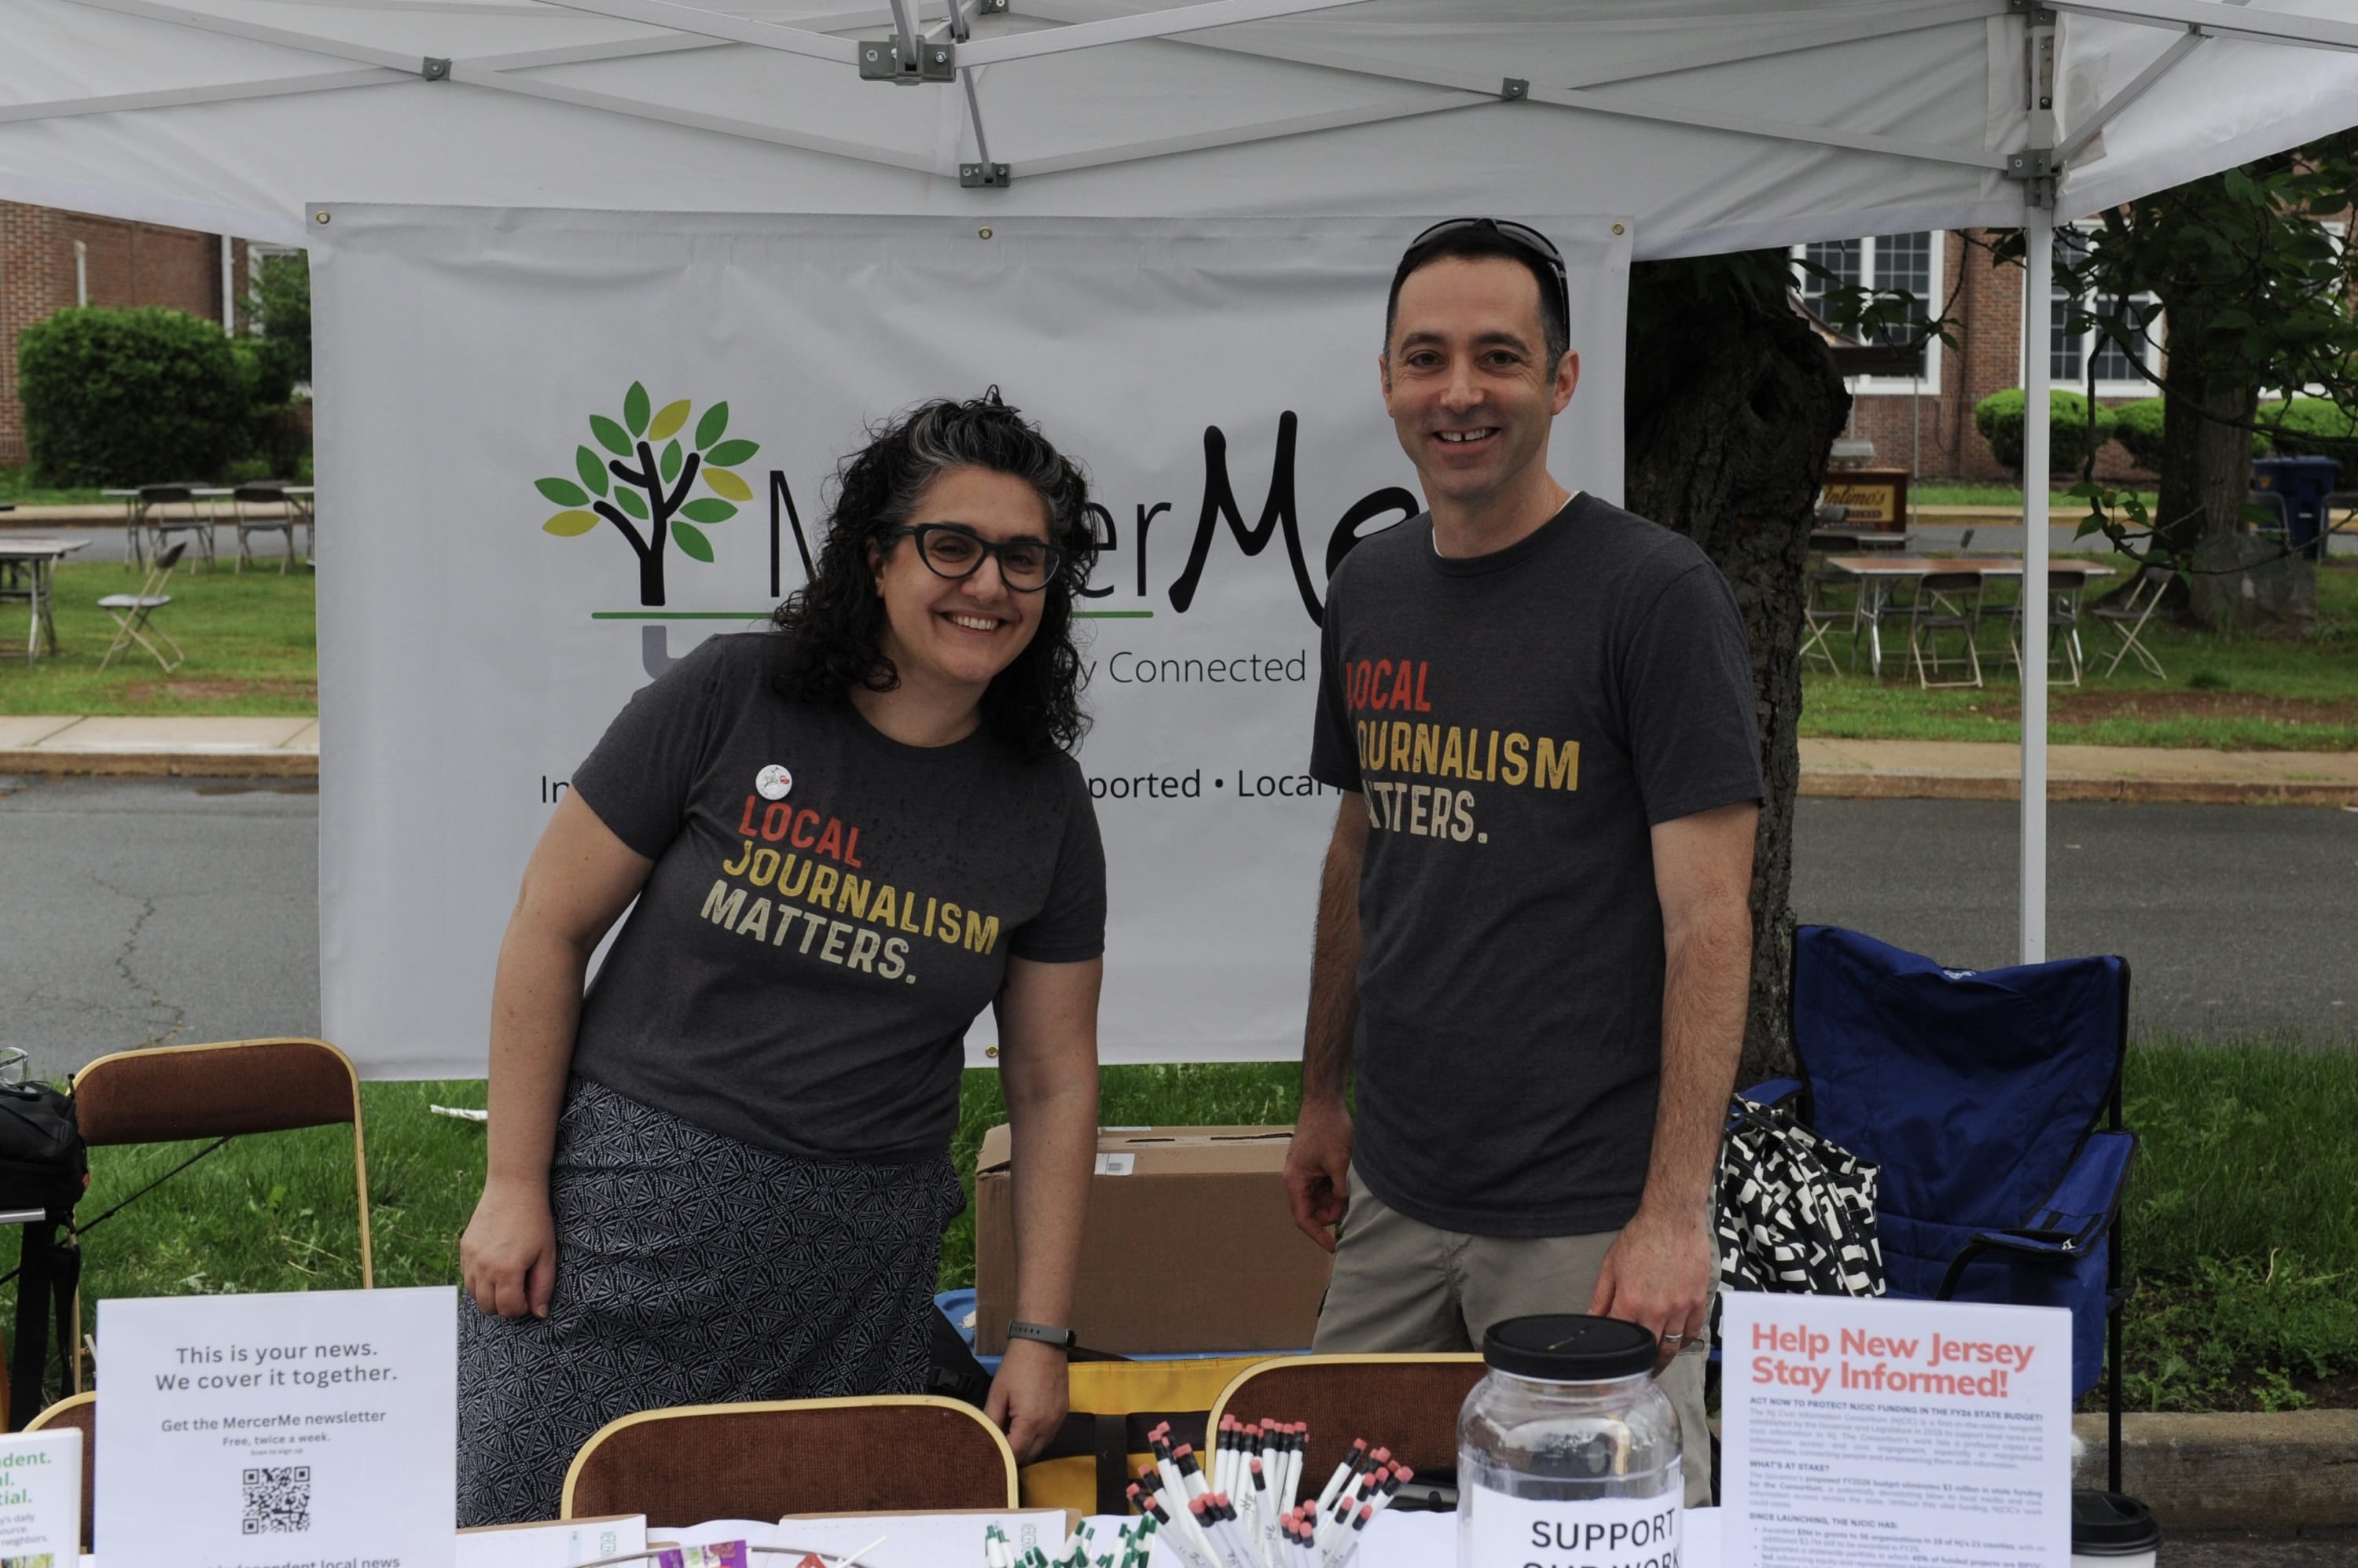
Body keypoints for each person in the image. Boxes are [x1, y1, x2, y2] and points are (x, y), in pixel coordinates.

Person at [456, 394, 1108, 1525]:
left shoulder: (1044, 803)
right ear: (877, 557)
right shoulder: (731, 693)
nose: (988, 585)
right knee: (537, 1533)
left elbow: (1052, 1082)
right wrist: (513, 1186)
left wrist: (1037, 1334)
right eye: (950, 546)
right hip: (618, 1240)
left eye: (1024, 560)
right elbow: (547, 926)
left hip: (851, 1287)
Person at [1282, 219, 1762, 1504]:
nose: (1459, 392)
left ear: (1562, 379)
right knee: (1331, 1522)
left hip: (1587, 1220)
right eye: (1425, 357)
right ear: (1386, 379)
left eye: (1500, 356)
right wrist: (1324, 1096)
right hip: (1397, 1189)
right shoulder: (1370, 589)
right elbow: (1358, 852)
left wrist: (1673, 1214)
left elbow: (1711, 923)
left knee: (1598, 1534)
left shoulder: (1654, 597)